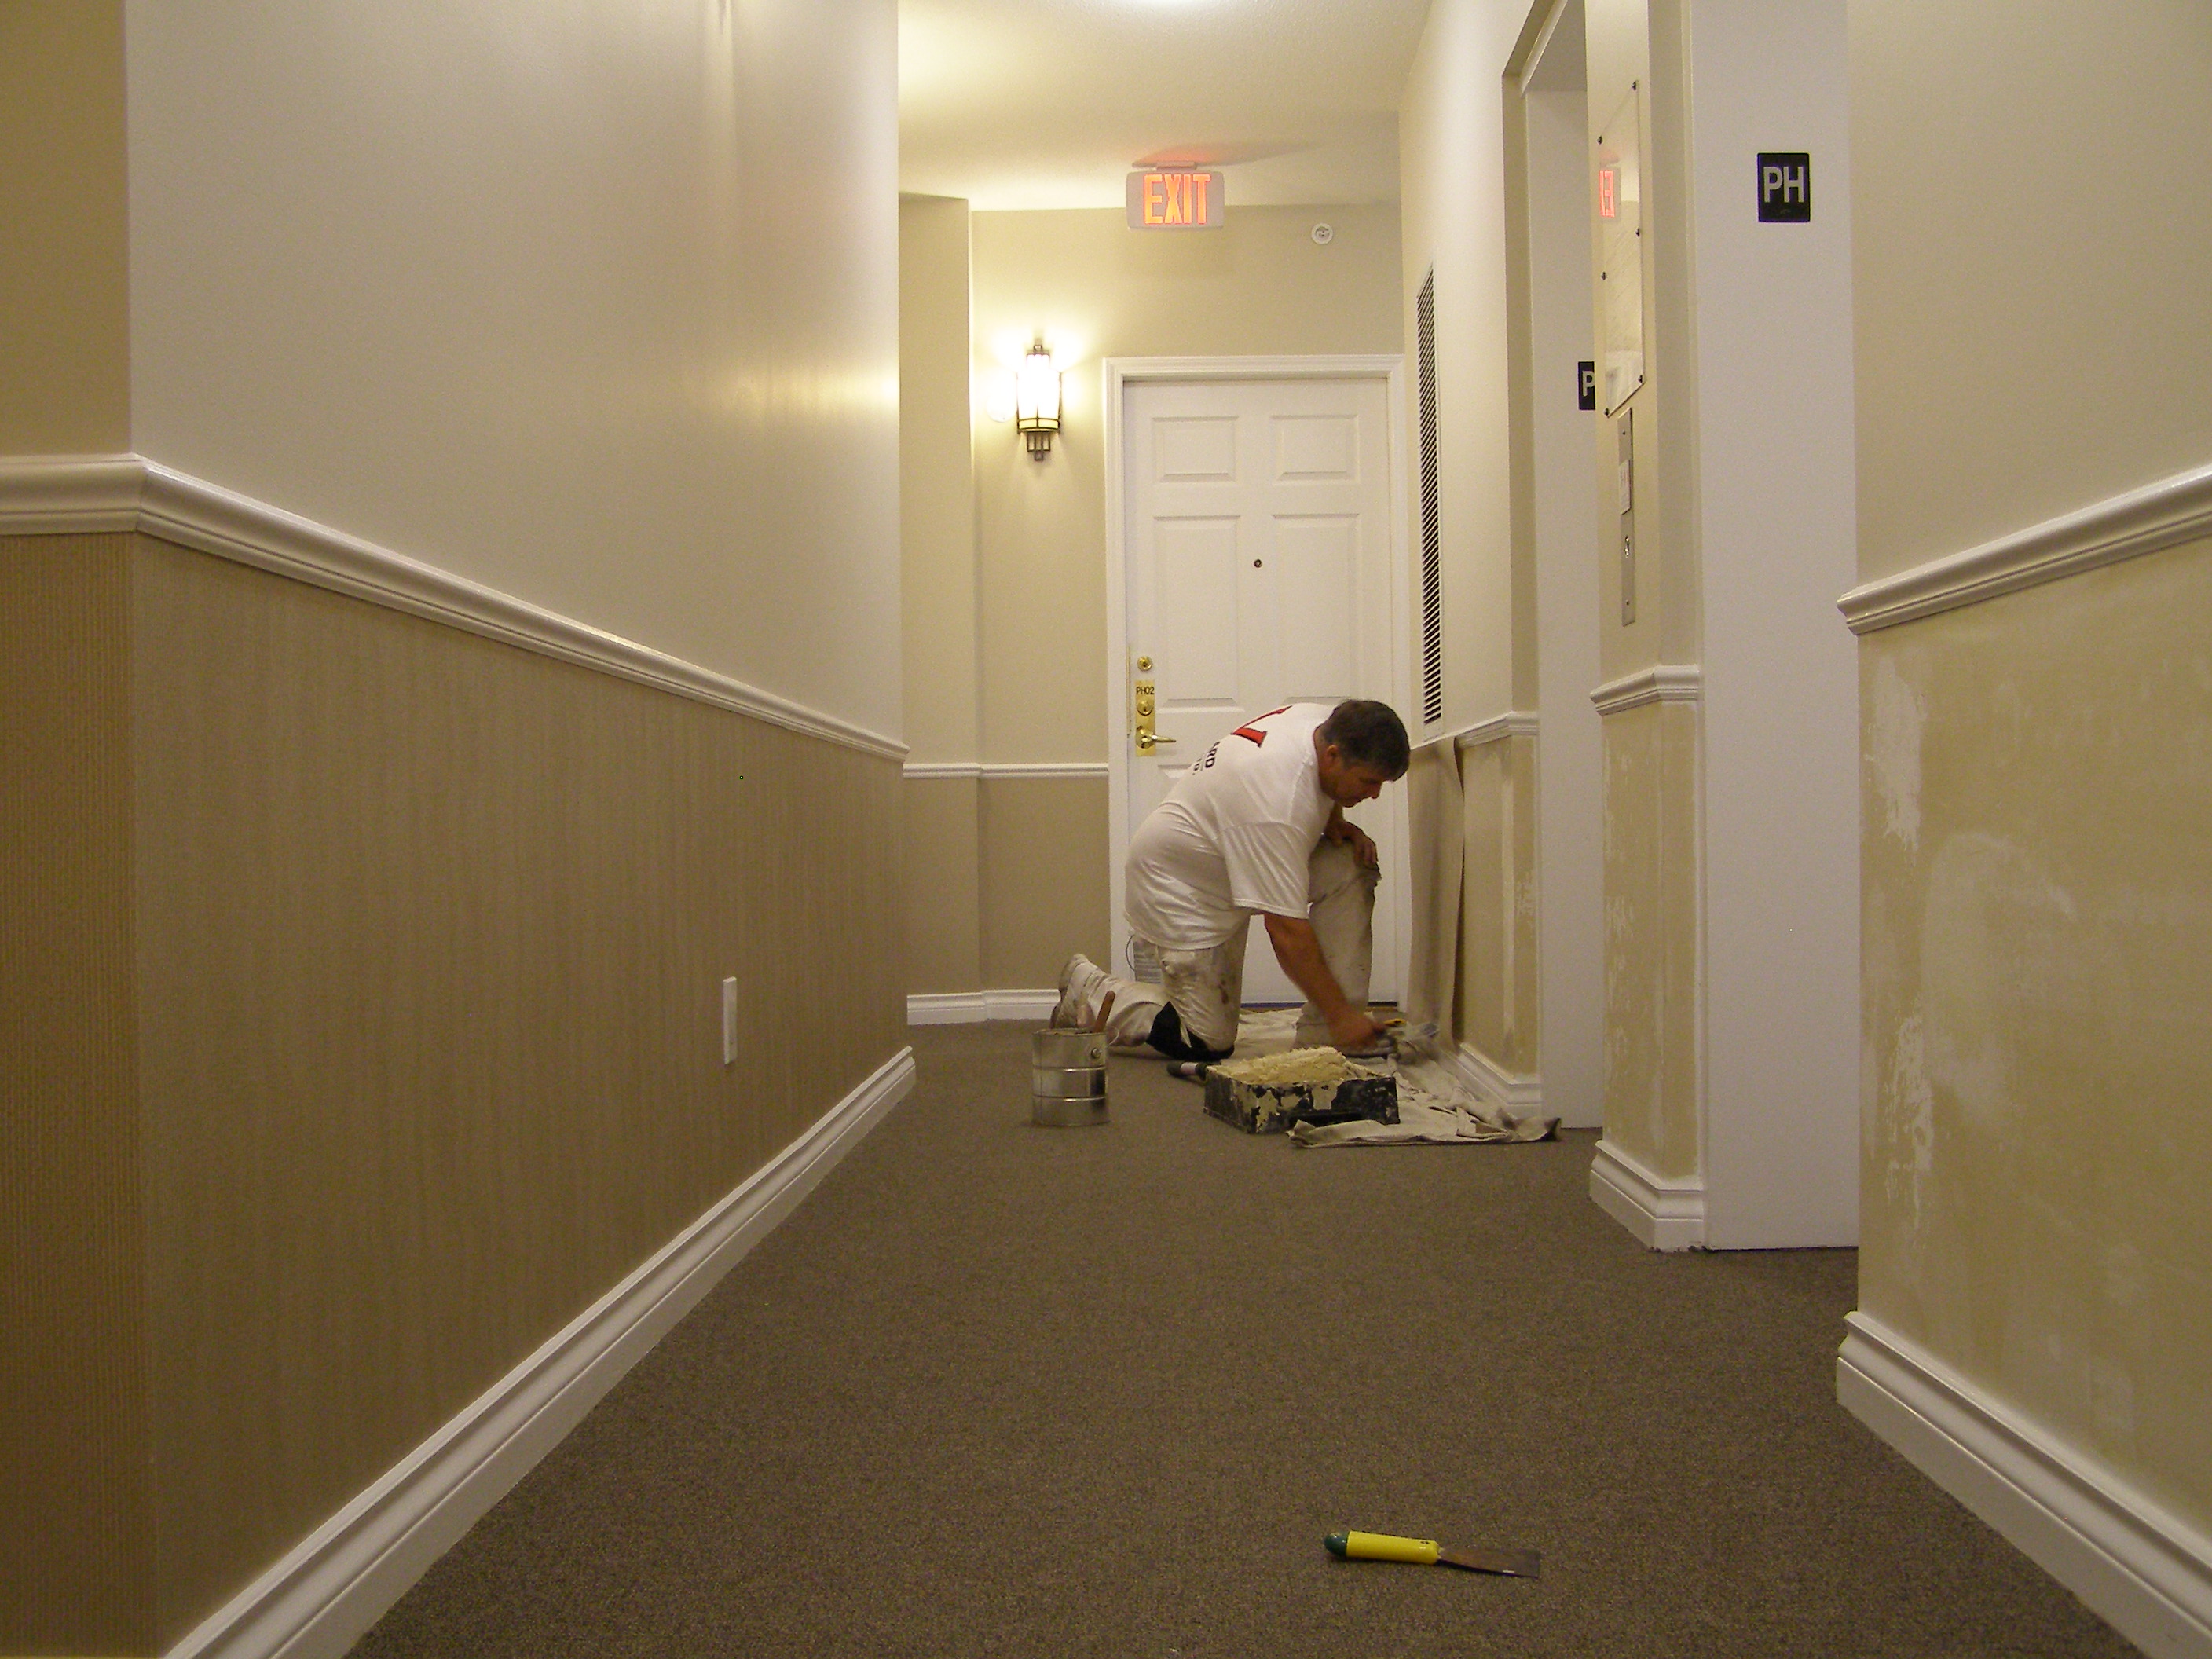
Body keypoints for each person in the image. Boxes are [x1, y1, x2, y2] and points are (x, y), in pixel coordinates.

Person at [1054, 698, 1410, 1061]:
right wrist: (1342, 1016)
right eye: (1368, 782)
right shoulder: (1275, 803)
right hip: (1181, 888)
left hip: (1227, 856)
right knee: (1207, 1041)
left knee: (1350, 864)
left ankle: (1327, 1034)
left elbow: (1319, 787)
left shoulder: (1324, 723)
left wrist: (1334, 820)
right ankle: (1090, 990)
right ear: (1333, 756)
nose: (1374, 794)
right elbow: (1286, 932)